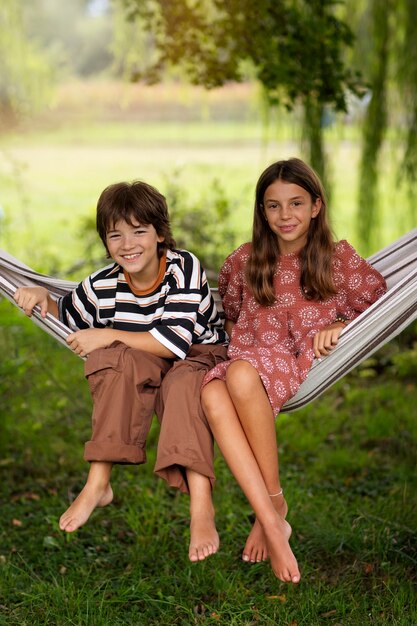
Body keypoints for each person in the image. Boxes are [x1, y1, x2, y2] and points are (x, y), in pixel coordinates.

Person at [13, 180, 228, 563]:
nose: (128, 244)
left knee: (180, 385)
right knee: (113, 360)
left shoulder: (184, 267)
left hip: (198, 352)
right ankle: (98, 483)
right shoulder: (102, 284)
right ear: (105, 241)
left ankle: (201, 506)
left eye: (139, 231)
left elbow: (173, 344)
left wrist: (107, 334)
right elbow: (65, 313)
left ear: (160, 234)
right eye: (115, 235)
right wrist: (41, 295)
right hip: (146, 355)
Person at [201, 157, 387, 584]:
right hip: (243, 357)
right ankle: (272, 512)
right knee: (213, 392)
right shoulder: (244, 260)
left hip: (290, 359)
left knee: (241, 376)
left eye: (296, 204)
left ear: (317, 206)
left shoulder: (336, 260)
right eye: (273, 206)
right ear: (261, 211)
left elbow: (378, 305)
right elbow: (229, 314)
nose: (285, 216)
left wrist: (340, 324)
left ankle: (271, 509)